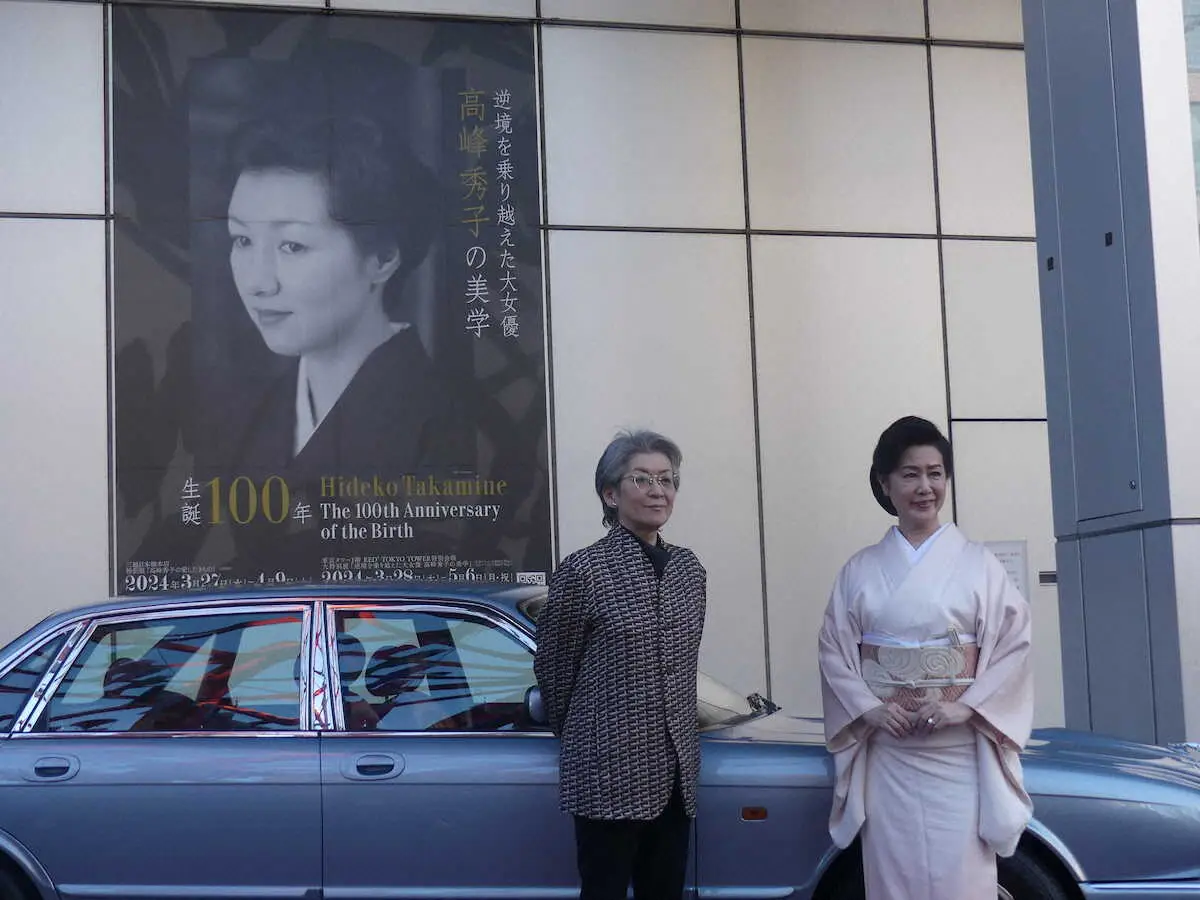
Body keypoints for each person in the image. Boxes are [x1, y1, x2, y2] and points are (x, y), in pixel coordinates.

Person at [818, 416, 1034, 900]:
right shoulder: (860, 570)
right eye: (910, 474)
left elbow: (1013, 647)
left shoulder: (980, 565)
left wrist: (966, 706)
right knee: (894, 879)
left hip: (957, 754)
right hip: (889, 755)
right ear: (884, 483)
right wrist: (869, 708)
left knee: (962, 880)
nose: (925, 487)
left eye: (936, 473)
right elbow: (834, 650)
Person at [534, 430, 706, 900]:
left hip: (674, 774)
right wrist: (589, 732)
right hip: (606, 769)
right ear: (611, 494)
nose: (658, 490)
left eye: (667, 480)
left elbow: (683, 668)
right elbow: (554, 670)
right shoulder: (584, 570)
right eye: (643, 479)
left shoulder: (689, 571)